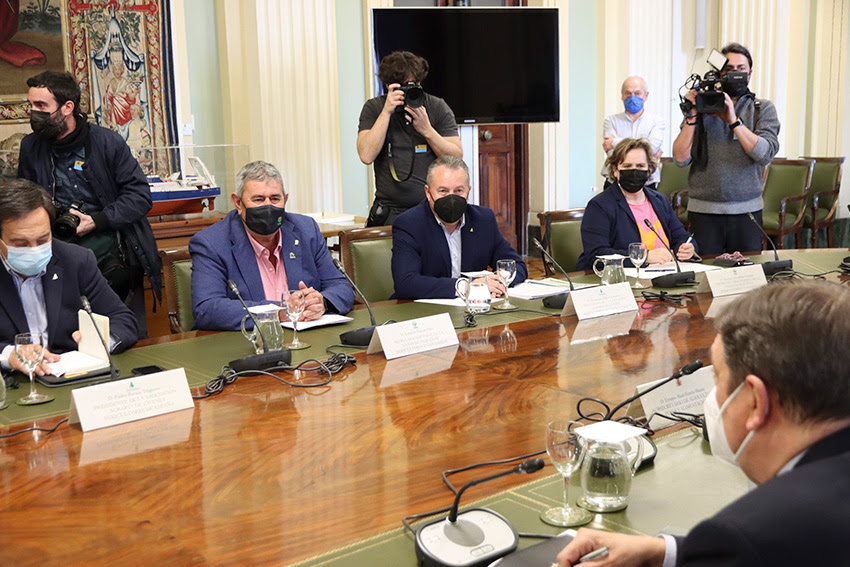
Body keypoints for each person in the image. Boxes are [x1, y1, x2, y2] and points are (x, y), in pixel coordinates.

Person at [557, 280, 850, 567]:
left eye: (717, 377)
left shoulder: (750, 533)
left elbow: (759, 547)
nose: (713, 394)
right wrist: (667, 553)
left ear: (755, 402)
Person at [17, 70, 161, 338]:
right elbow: (25, 201)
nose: (33, 113)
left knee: (123, 335)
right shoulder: (31, 147)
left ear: (67, 107)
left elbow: (140, 196)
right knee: (71, 338)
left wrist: (97, 219)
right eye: (31, 105)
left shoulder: (107, 142)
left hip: (116, 255)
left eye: (41, 106)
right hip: (58, 258)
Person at [189, 161, 354, 331]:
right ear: (238, 203)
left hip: (308, 337)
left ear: (286, 199)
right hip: (247, 344)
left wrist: (321, 302)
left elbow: (342, 287)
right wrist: (278, 313)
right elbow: (207, 309)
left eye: (275, 199)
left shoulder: (306, 230)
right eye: (258, 199)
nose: (268, 207)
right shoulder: (211, 243)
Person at [0, 179, 138, 376]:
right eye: (21, 244)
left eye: (42, 240)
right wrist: (9, 355)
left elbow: (123, 320)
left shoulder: (75, 260)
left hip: (71, 378)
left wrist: (100, 341)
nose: (34, 250)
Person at [672, 43, 780, 255]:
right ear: (719, 73)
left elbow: (764, 154)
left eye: (741, 69)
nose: (735, 74)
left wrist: (734, 121)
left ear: (750, 73)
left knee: (747, 277)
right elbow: (680, 158)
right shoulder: (704, 106)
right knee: (703, 276)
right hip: (703, 211)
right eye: (729, 70)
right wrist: (692, 115)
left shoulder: (762, 108)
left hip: (746, 211)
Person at [391, 155, 527, 300]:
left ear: (468, 192)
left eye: (458, 191)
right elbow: (406, 282)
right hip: (423, 312)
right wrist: (468, 286)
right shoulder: (409, 224)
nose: (451, 198)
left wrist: (498, 281)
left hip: (476, 310)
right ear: (428, 192)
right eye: (443, 191)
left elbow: (517, 265)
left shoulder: (483, 219)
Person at [357, 51, 462, 227]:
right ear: (389, 86)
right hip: (388, 213)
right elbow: (366, 155)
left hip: (429, 210)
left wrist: (427, 130)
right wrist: (386, 112)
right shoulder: (374, 108)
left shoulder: (436, 107)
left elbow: (456, 157)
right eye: (403, 86)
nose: (409, 90)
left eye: (414, 84)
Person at [577, 138, 696, 271]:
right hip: (619, 280)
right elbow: (597, 255)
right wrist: (644, 257)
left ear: (649, 169)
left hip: (665, 274)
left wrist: (687, 249)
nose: (634, 171)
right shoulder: (600, 206)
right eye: (627, 166)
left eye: (640, 166)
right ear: (615, 170)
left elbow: (682, 237)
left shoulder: (660, 200)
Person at [601, 76, 666, 188]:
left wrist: (615, 142)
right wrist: (645, 150)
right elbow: (613, 155)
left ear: (646, 96)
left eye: (637, 93)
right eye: (628, 93)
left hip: (646, 182)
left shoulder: (656, 121)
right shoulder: (610, 121)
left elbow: (653, 147)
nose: (632, 97)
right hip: (614, 182)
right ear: (622, 95)